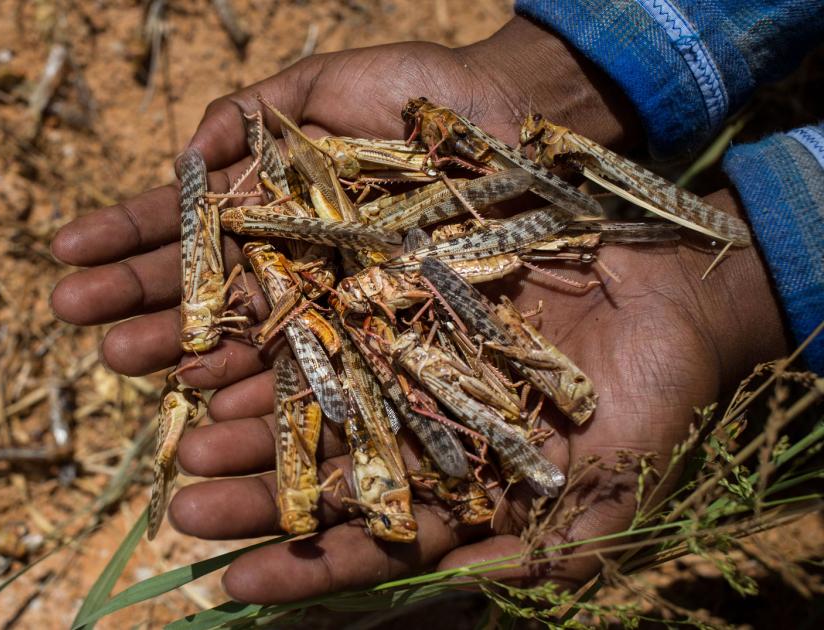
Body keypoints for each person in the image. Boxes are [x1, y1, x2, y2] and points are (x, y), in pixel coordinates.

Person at [49, 1, 824, 605]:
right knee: (378, 367)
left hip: (428, 262)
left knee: (459, 304)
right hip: (382, 289)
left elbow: (431, 278)